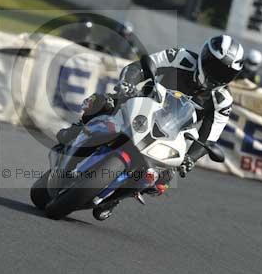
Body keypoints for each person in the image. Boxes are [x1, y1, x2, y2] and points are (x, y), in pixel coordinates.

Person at [56, 35, 244, 220]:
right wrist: (127, 84)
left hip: (172, 131)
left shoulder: (222, 101)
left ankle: (116, 198)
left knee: (164, 179)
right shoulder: (181, 57)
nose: (217, 76)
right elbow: (139, 66)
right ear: (204, 57)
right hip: (141, 103)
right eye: (215, 68)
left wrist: (191, 158)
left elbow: (209, 137)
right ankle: (79, 129)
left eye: (225, 74)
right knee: (103, 102)